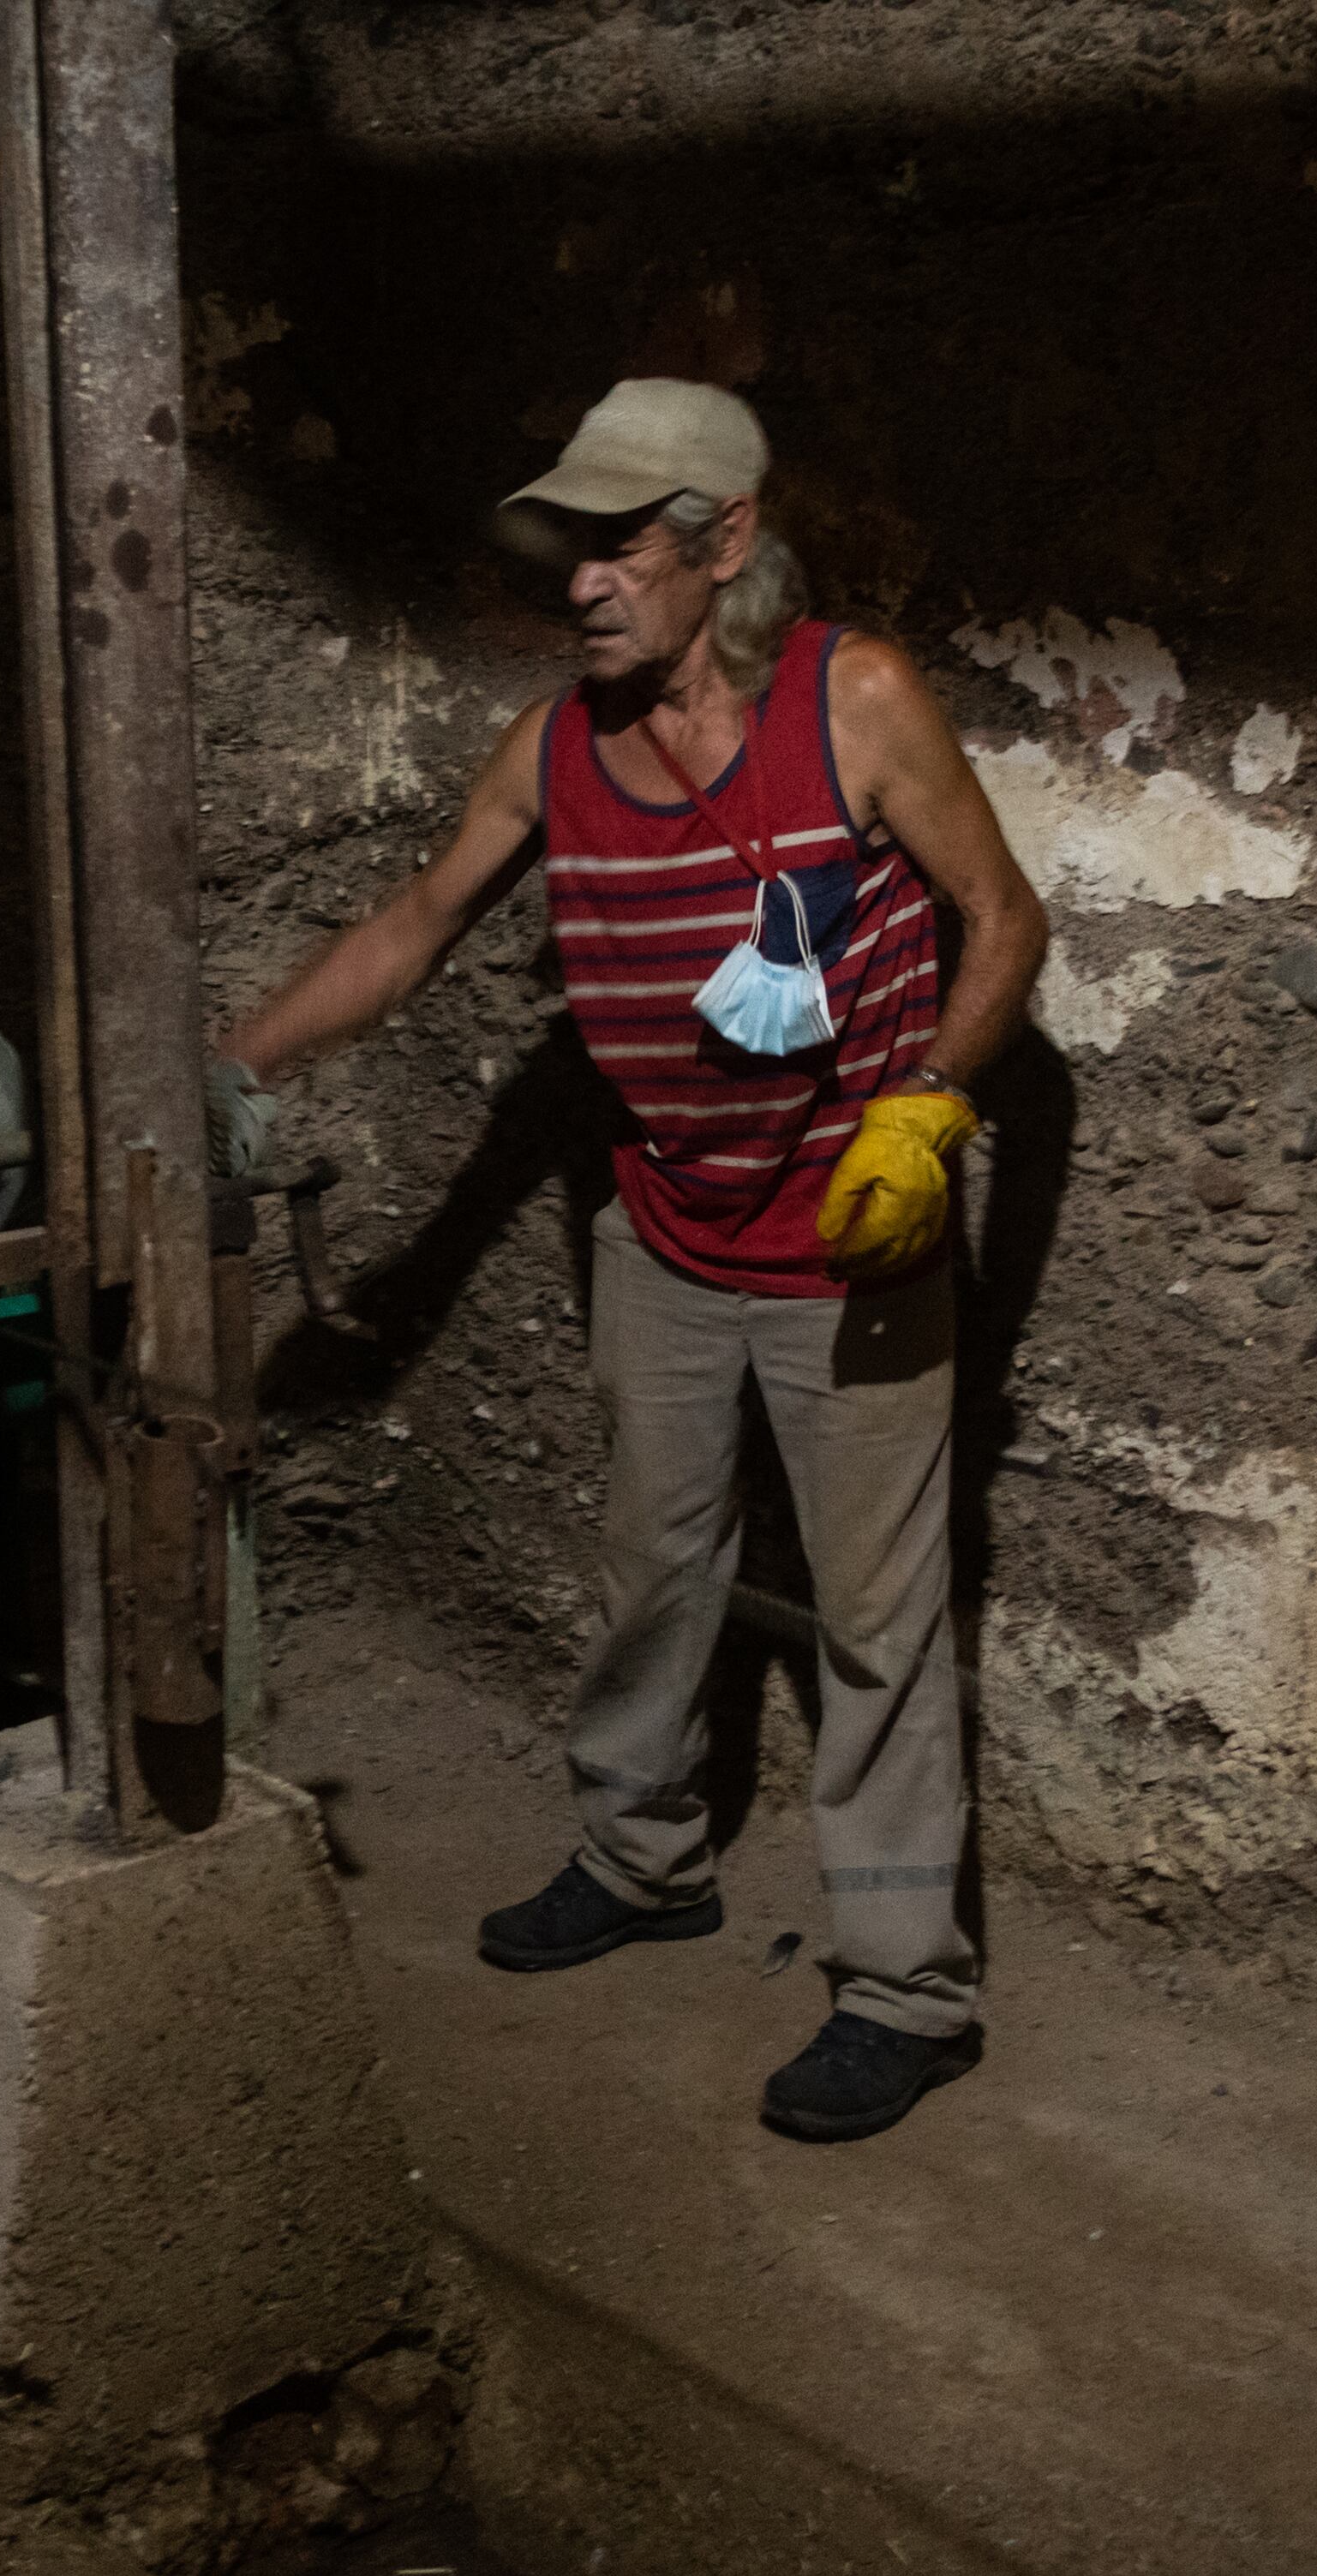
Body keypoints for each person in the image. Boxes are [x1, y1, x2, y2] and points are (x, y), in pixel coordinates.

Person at [215, 381, 1050, 2143]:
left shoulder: (856, 703)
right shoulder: (555, 752)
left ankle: (906, 1988)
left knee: (876, 1623)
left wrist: (929, 1114)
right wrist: (226, 1061)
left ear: (723, 538)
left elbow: (1005, 917)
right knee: (650, 1563)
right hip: (665, 1226)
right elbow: (408, 929)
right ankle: (643, 1851)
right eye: (567, 548)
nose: (581, 582)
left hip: (854, 1236)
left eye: (619, 543)